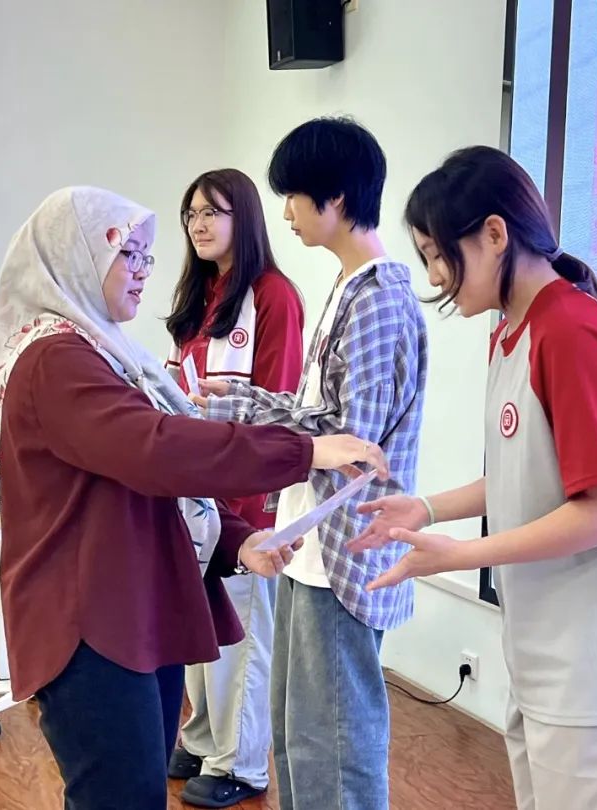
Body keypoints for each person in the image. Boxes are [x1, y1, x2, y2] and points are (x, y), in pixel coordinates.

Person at [0, 186, 387, 810]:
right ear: (78, 257)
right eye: (128, 255)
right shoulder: (54, 358)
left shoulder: (105, 350)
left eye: (147, 256)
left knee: (135, 791)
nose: (143, 270)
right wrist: (303, 449)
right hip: (87, 621)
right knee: (120, 797)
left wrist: (237, 540)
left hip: (132, 606)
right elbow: (155, 449)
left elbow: (151, 477)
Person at [350, 145, 597, 809]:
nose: (435, 276)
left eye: (437, 254)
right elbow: (524, 475)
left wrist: (459, 555)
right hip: (549, 656)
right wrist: (426, 509)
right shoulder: (513, 330)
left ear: (494, 234)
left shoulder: (570, 330)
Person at [196, 117, 428, 810]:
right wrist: (241, 400)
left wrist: (245, 409)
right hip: (311, 548)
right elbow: (319, 419)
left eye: (294, 196)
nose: (287, 213)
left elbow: (349, 444)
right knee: (298, 738)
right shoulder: (349, 287)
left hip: (344, 555)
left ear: (336, 198)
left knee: (337, 750)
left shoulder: (378, 299)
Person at [165, 169, 305, 808]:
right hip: (195, 493)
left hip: (246, 500)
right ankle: (201, 738)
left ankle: (241, 763)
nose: (198, 225)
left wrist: (250, 508)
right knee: (202, 627)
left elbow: (279, 404)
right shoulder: (199, 295)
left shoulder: (273, 295)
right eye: (191, 214)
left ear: (242, 218)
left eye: (211, 213)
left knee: (241, 636)